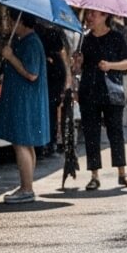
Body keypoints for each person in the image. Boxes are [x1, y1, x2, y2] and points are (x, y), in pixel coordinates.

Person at [77, 8, 127, 190]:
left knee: (116, 133)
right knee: (91, 134)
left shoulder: (117, 37)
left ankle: (122, 173)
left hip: (112, 92)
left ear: (105, 16)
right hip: (88, 92)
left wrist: (110, 65)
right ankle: (94, 176)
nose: (89, 17)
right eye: (87, 14)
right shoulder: (84, 39)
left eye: (93, 14)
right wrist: (77, 61)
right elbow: (78, 68)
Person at [0, 9, 50, 203]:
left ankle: (26, 189)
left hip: (25, 102)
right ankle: (27, 185)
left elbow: (31, 74)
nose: (10, 25)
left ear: (21, 22)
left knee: (21, 144)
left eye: (12, 20)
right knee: (25, 144)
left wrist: (10, 57)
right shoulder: (23, 41)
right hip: (23, 100)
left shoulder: (31, 43)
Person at [41, 25, 71, 156]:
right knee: (52, 112)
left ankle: (48, 143)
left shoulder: (49, 58)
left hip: (50, 84)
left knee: (49, 112)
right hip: (55, 85)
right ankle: (51, 143)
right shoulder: (57, 58)